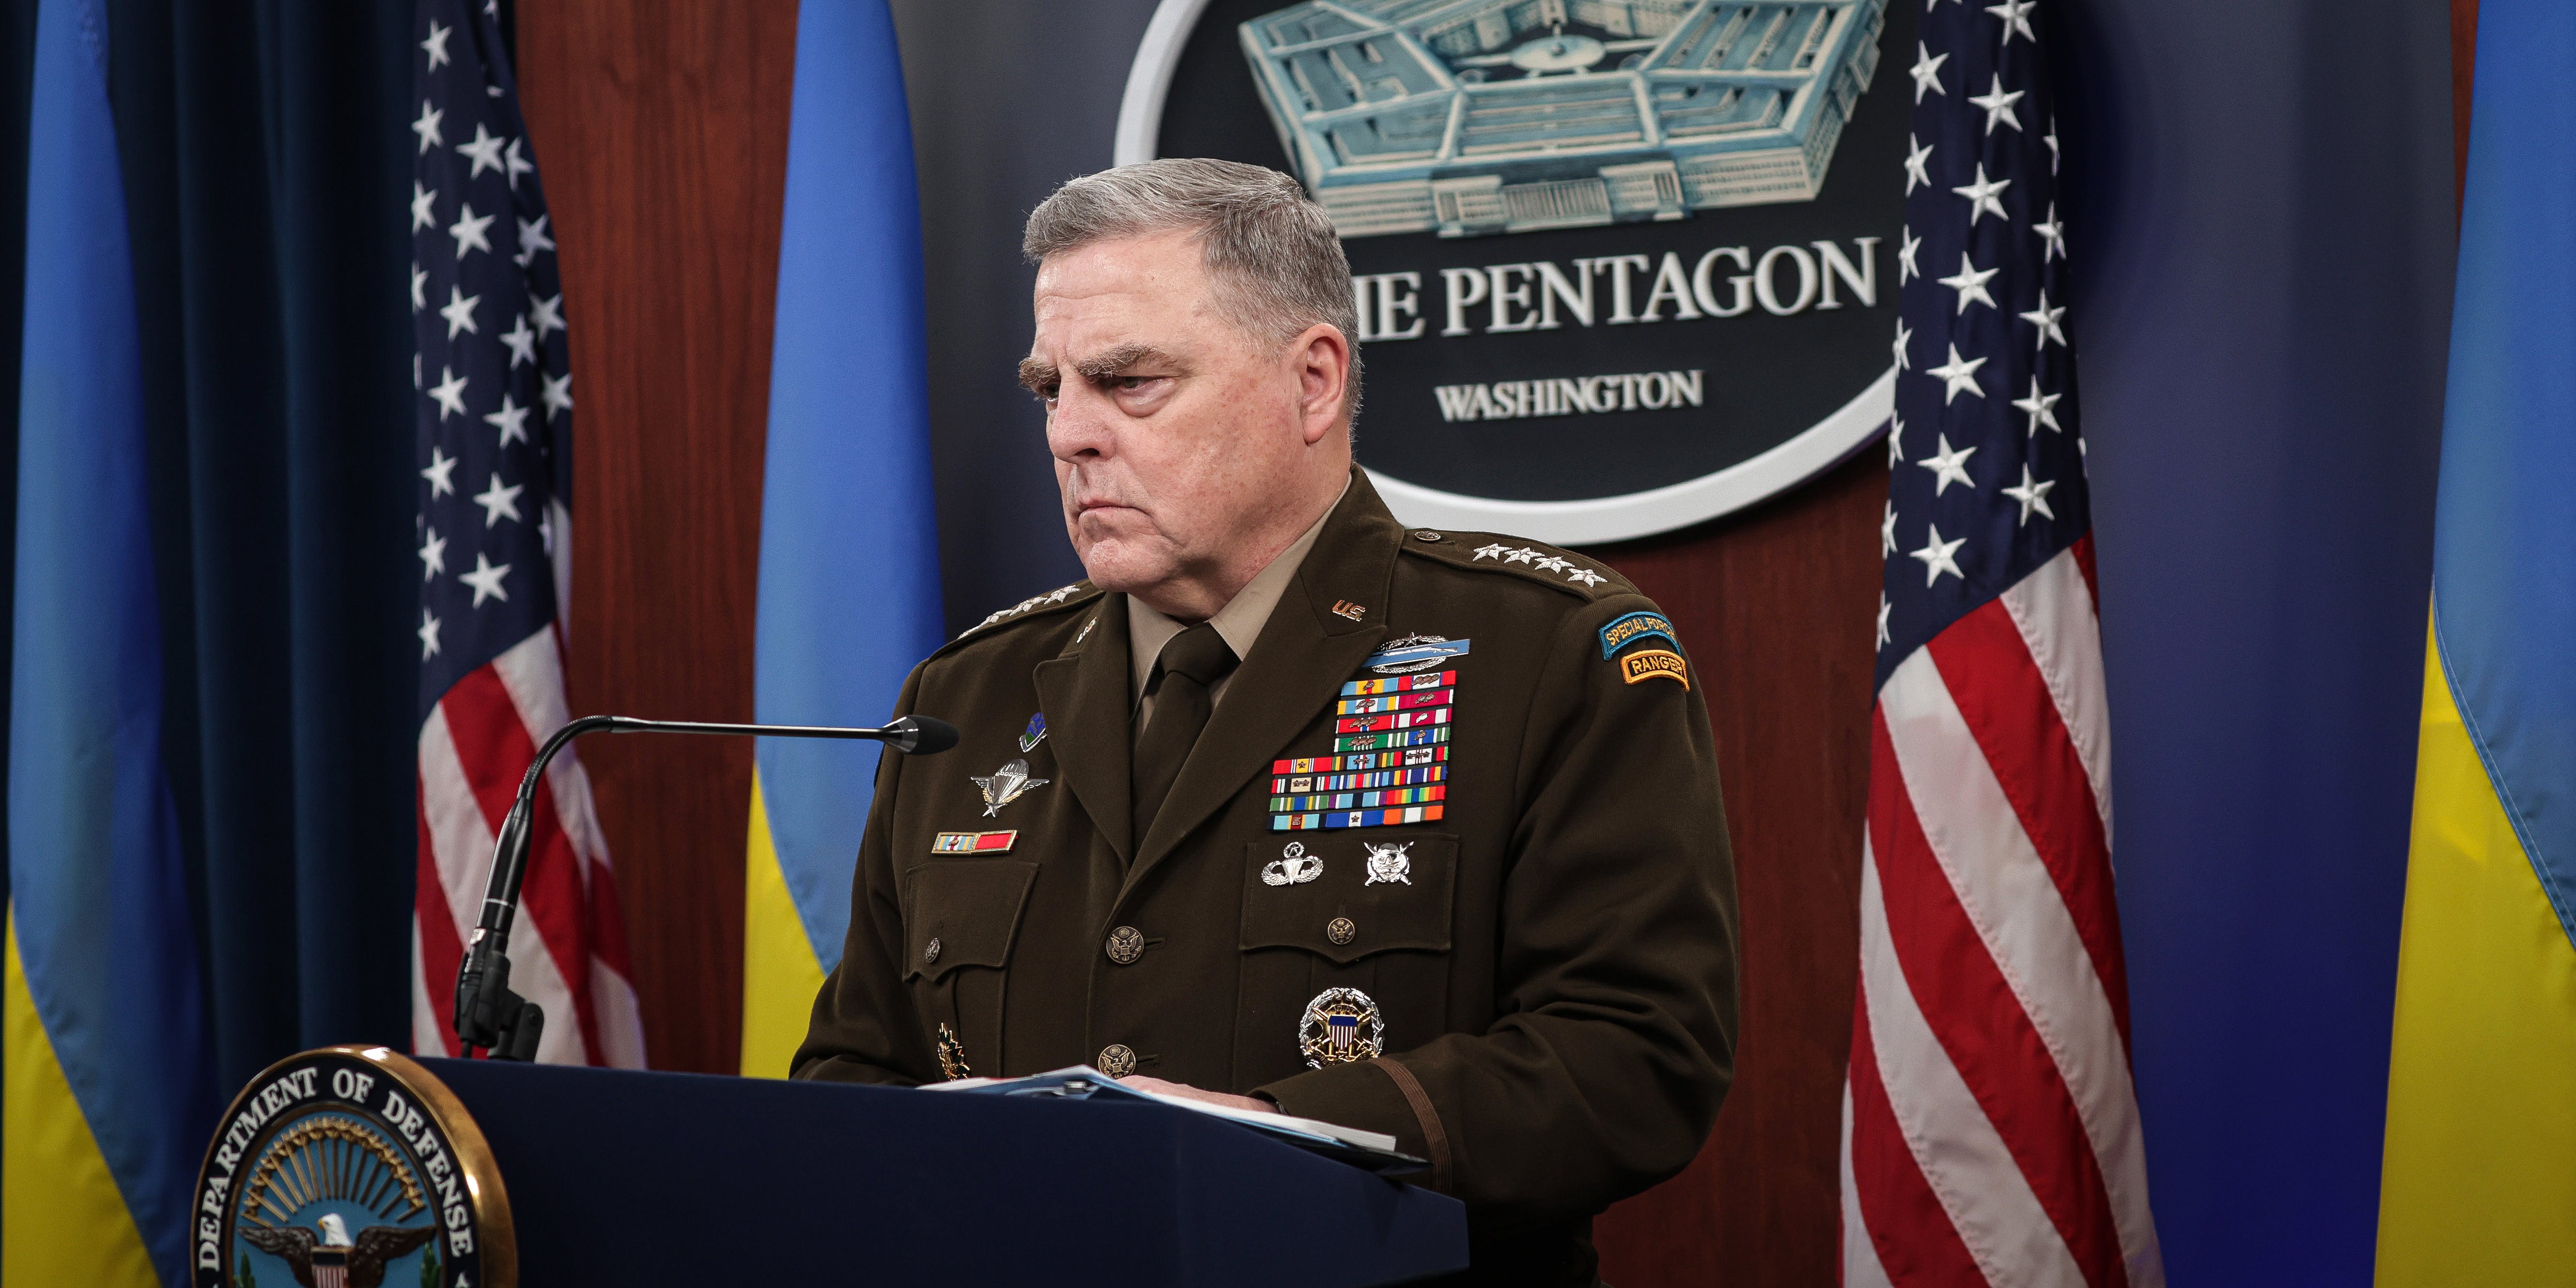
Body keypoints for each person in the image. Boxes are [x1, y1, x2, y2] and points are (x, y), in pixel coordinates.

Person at [792, 157, 1738, 1287]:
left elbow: (1635, 1054)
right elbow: (855, 1067)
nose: (1068, 435)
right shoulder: (965, 697)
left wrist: (1259, 1134)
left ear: (1313, 382)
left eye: (1128, 382)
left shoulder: (1546, 654)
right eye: (1052, 389)